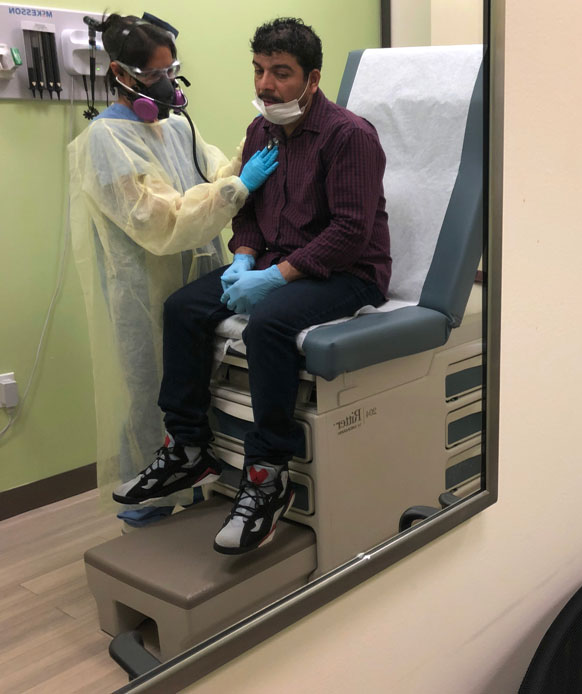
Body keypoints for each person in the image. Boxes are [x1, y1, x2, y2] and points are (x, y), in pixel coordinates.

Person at [111, 17, 392, 555]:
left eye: (281, 73)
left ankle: (268, 475)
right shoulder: (261, 131)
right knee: (184, 307)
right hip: (274, 258)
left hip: (349, 273)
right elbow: (250, 216)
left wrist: (275, 278)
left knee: (269, 324)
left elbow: (351, 233)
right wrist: (243, 259)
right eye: (260, 70)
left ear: (312, 79)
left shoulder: (349, 135)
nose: (265, 85)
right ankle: (189, 447)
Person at [69, 13, 279, 512]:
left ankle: (195, 487)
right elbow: (160, 222)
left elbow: (211, 179)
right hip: (143, 292)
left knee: (194, 388)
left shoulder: (175, 125)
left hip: (195, 282)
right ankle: (146, 509)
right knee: (151, 396)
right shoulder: (104, 142)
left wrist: (247, 160)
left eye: (172, 69)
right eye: (155, 74)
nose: (168, 83)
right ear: (122, 74)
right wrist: (238, 186)